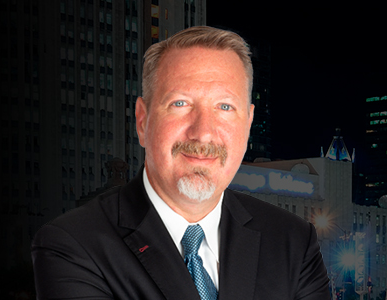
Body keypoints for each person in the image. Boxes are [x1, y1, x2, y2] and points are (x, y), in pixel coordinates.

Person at [32, 26, 331, 300]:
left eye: (225, 107)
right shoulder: (73, 245)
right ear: (142, 121)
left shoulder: (292, 242)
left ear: (249, 123)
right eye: (180, 104)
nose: (203, 132)